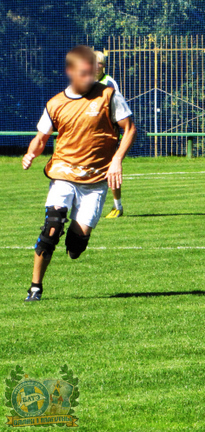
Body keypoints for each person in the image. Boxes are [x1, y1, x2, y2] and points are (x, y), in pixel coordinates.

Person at [22, 45, 136, 302]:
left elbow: (129, 129)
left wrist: (117, 159)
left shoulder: (108, 95)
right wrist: (31, 153)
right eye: (83, 73)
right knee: (52, 227)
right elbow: (41, 138)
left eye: (91, 72)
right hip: (63, 173)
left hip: (95, 180)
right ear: (71, 72)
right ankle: (35, 287)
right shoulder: (55, 103)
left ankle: (74, 241)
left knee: (76, 247)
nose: (89, 77)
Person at [94, 50, 125, 218]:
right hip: (91, 133)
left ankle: (117, 206)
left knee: (111, 170)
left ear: (103, 66)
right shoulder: (85, 81)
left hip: (108, 133)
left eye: (98, 63)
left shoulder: (109, 83)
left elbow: (116, 107)